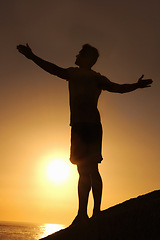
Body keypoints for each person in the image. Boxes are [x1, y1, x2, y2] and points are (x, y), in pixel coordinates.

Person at [17, 43, 153, 225]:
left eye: (81, 53)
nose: (77, 54)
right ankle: (89, 212)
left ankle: (88, 213)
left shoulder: (77, 74)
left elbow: (52, 69)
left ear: (88, 59)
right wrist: (135, 86)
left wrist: (32, 57)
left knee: (86, 170)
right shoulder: (96, 78)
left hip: (84, 126)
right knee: (86, 169)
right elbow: (119, 88)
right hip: (88, 126)